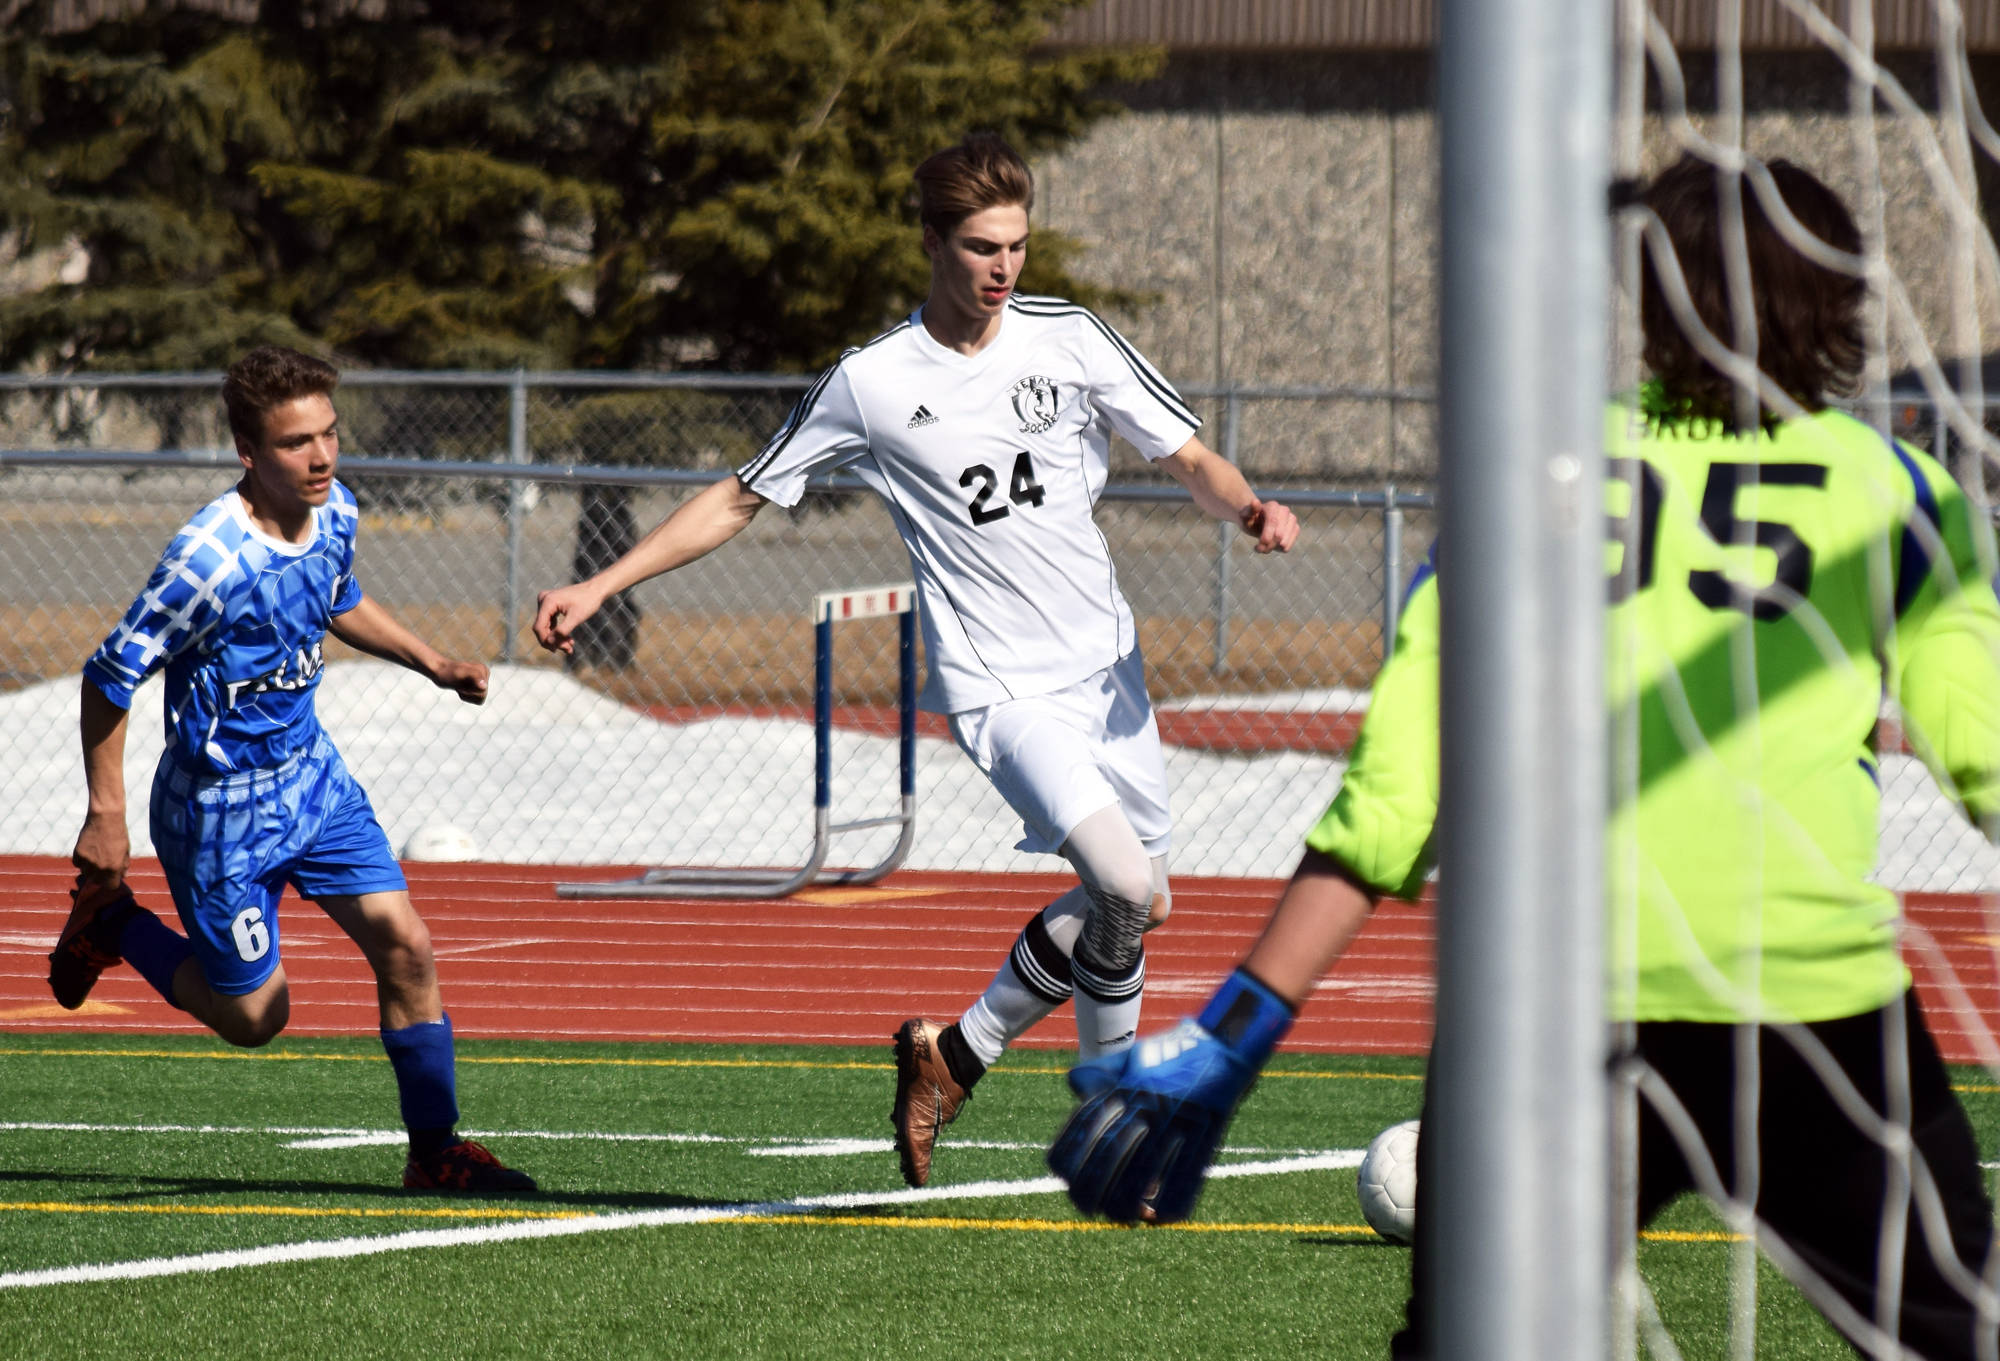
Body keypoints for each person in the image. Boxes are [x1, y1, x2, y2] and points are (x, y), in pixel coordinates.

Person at [1050, 153, 2000, 1360]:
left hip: (1543, 1021)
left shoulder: (1528, 483)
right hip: (1808, 1013)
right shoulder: (1904, 496)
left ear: (1650, 302)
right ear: (1841, 306)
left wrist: (1240, 1025)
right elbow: (1985, 762)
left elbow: (1395, 796)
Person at [533, 132, 1300, 1188]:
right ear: (932, 241)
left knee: (1139, 900)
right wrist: (600, 584)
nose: (1003, 268)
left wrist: (1249, 506)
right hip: (999, 686)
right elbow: (737, 496)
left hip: (1106, 674)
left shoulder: (1068, 339)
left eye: (1017, 247)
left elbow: (1187, 455)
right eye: (981, 247)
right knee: (1121, 882)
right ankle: (1111, 1125)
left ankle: (956, 1050)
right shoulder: (874, 380)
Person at [50, 345, 535, 1194]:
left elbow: (338, 596)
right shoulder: (206, 559)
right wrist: (107, 812)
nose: (320, 457)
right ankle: (116, 924)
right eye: (295, 442)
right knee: (255, 1017)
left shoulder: (336, 508)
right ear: (247, 450)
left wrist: (432, 660)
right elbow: (109, 676)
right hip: (219, 815)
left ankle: (436, 1150)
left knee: (408, 945)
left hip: (311, 781)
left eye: (329, 434)